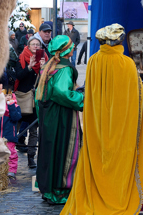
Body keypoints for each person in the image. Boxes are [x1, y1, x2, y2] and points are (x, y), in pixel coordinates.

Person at [61, 23, 143, 214]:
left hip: (97, 122)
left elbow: (89, 93)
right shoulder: (127, 64)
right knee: (119, 157)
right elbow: (137, 96)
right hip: (122, 123)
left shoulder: (93, 61)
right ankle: (117, 196)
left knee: (98, 155)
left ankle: (96, 194)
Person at [35, 35, 84, 205]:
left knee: (50, 150)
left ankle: (48, 191)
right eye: (71, 46)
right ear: (66, 50)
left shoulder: (48, 66)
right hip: (62, 116)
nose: (73, 47)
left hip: (48, 115)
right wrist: (81, 100)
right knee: (64, 150)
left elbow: (38, 96)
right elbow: (61, 91)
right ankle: (59, 192)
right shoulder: (65, 68)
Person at [14, 37, 48, 168]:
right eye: (33, 44)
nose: (35, 46)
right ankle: (11, 156)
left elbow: (47, 78)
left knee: (34, 130)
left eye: (38, 45)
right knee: (16, 126)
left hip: (37, 98)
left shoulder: (44, 58)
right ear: (28, 46)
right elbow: (19, 76)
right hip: (23, 97)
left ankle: (31, 157)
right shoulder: (21, 57)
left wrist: (44, 67)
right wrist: (29, 66)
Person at [0, 92, 22, 180]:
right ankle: (0, 169)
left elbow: (16, 118)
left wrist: (11, 106)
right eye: (5, 95)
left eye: (9, 95)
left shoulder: (15, 107)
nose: (7, 97)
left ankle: (11, 170)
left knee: (11, 153)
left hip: (9, 135)